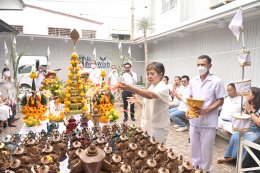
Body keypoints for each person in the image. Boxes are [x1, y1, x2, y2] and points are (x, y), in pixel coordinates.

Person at [187, 55, 226, 171]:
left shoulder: (216, 81)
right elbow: (190, 97)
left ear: (209, 66)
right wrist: (188, 110)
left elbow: (220, 100)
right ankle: (196, 167)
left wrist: (206, 110)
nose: (200, 67)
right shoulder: (193, 81)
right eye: (198, 64)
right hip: (194, 120)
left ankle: (206, 169)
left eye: (203, 64)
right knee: (194, 147)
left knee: (206, 149)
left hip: (209, 121)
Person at [118, 62, 170, 143]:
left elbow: (149, 95)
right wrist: (137, 100)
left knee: (158, 151)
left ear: (160, 75)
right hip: (148, 125)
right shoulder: (152, 86)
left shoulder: (163, 87)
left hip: (158, 127)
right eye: (148, 74)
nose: (149, 76)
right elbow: (146, 106)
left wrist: (130, 88)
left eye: (152, 74)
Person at [217, 87, 260, 164]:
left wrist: (250, 111)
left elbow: (258, 122)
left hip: (257, 132)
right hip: (248, 129)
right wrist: (245, 111)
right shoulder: (249, 104)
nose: (246, 94)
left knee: (247, 141)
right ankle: (230, 157)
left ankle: (242, 162)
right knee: (236, 136)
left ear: (254, 96)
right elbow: (243, 116)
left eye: (249, 93)